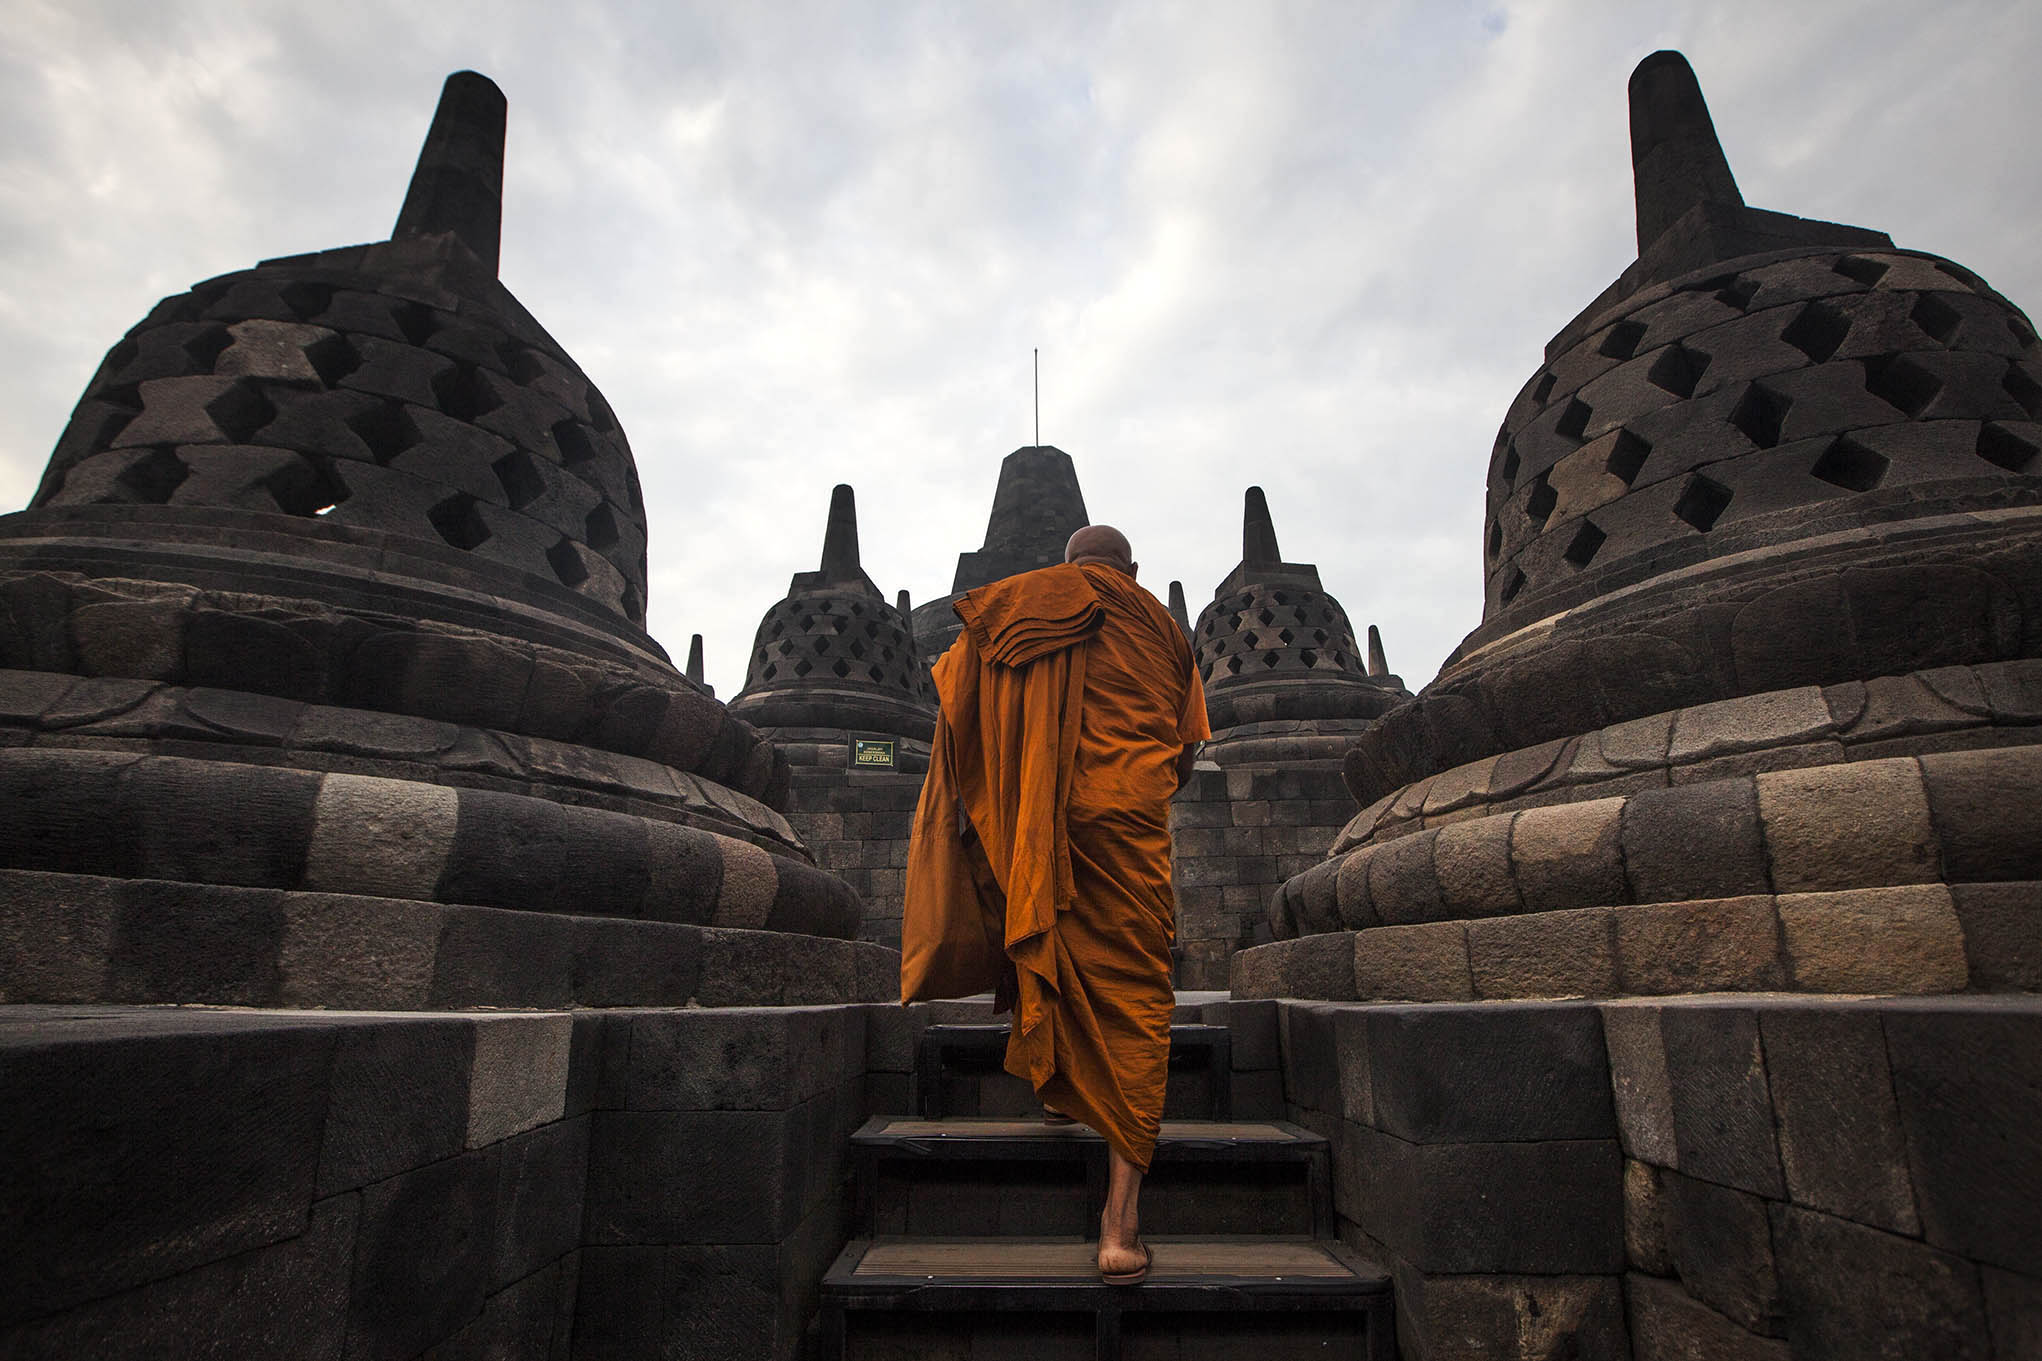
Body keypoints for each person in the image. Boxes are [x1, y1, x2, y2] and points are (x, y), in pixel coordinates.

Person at [900, 523, 1209, 1285]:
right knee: (1137, 1002)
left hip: (1050, 822)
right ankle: (1120, 1223)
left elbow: (958, 686)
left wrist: (1011, 774)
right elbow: (1187, 752)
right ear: (1131, 570)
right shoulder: (1164, 628)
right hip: (1131, 835)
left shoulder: (1034, 602)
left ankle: (1059, 1091)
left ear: (1071, 568)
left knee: (1050, 942)